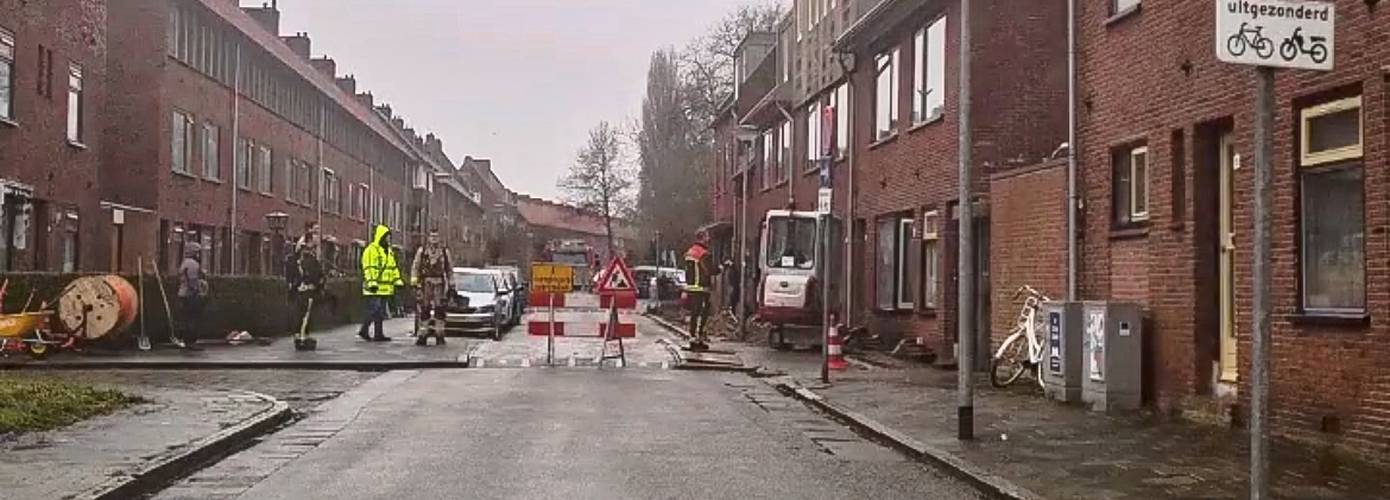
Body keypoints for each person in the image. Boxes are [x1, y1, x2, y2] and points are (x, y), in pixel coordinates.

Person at [358, 224, 403, 342]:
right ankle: (364, 330)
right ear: (381, 237)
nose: (388, 239)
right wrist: (372, 282)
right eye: (386, 237)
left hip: (385, 287)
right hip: (373, 287)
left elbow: (393, 267)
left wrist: (397, 280)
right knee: (374, 310)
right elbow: (369, 267)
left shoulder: (389, 251)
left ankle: (378, 334)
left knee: (380, 312)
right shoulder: (371, 250)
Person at [410, 229, 453, 346]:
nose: (434, 239)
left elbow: (449, 270)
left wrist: (452, 284)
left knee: (440, 310)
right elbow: (415, 267)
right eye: (432, 236)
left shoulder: (444, 252)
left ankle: (440, 334)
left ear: (439, 238)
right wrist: (414, 282)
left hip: (439, 283)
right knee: (424, 309)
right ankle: (423, 334)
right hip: (426, 283)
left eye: (436, 236)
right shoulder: (422, 251)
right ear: (428, 238)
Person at [682, 230, 721, 351]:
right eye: (707, 237)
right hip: (701, 288)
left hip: (691, 287)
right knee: (701, 313)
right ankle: (698, 338)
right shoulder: (703, 254)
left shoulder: (690, 252)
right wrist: (720, 267)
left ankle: (693, 337)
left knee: (695, 313)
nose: (708, 239)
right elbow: (709, 270)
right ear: (702, 238)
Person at [289, 222, 325, 339]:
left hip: (306, 288)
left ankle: (302, 333)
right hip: (304, 288)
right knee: (303, 311)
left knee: (306, 312)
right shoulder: (304, 258)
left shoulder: (311, 258)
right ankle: (300, 334)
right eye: (315, 231)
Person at [176, 242, 207, 351]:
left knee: (187, 318)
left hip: (183, 294)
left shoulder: (185, 262)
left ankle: (186, 341)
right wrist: (198, 291)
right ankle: (191, 342)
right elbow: (193, 280)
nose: (199, 254)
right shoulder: (193, 264)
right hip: (190, 295)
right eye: (198, 252)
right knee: (193, 319)